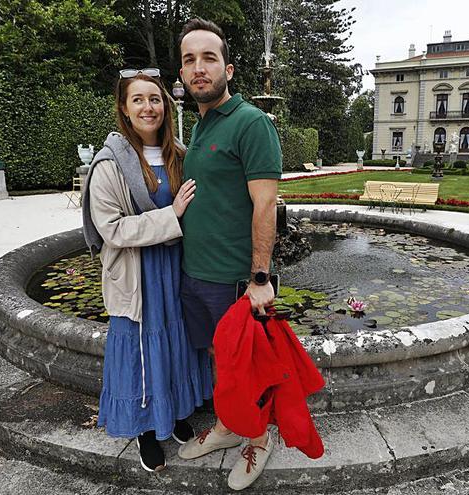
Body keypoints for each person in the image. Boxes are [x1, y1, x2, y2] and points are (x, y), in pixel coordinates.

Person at [82, 68, 212, 472]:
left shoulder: (180, 154)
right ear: (124, 108)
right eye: (137, 99)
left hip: (176, 268)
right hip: (138, 274)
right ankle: (143, 428)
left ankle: (172, 415)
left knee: (176, 344)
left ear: (165, 106)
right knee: (140, 349)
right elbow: (112, 229)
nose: (148, 107)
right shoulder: (109, 164)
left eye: (154, 99)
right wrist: (171, 216)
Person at [173, 18, 283, 491]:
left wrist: (260, 277)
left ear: (229, 69)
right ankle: (224, 427)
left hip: (234, 279)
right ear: (181, 72)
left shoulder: (250, 123)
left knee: (247, 365)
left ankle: (258, 438)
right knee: (220, 362)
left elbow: (265, 204)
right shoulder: (198, 128)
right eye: (189, 60)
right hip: (193, 273)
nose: (198, 68)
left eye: (208, 58)